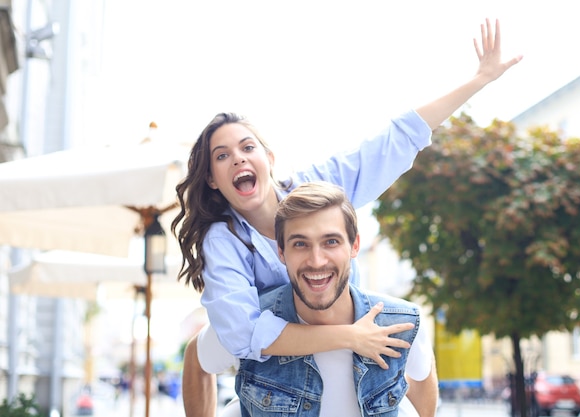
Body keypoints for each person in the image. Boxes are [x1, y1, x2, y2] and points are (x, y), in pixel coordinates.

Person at [173, 18, 522, 417]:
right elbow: (239, 335)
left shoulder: (318, 190)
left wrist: (479, 80)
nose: (237, 157)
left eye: (246, 146)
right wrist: (350, 336)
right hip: (278, 369)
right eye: (222, 156)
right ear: (213, 180)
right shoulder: (223, 240)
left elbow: (395, 142)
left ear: (268, 159)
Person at [231, 181, 438, 417]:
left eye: (331, 241)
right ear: (281, 251)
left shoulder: (400, 323)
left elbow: (423, 378)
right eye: (300, 244)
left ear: (354, 245)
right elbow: (198, 358)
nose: (317, 261)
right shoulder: (249, 320)